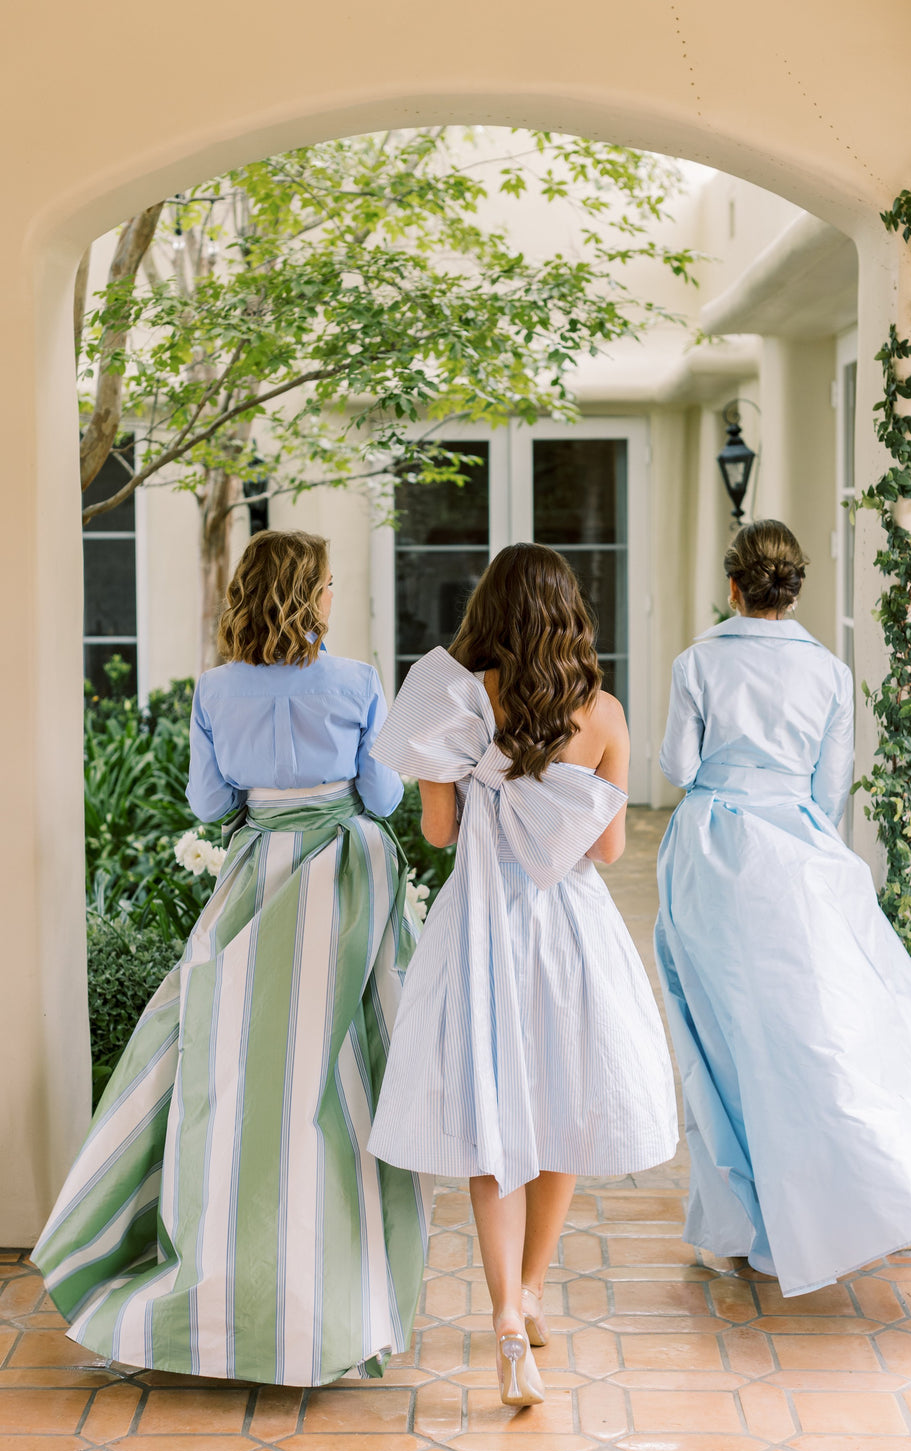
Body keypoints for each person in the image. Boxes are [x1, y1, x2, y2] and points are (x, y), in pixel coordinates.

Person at [32, 530, 430, 1386]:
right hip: (342, 881)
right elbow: (386, 795)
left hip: (256, 877)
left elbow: (212, 804)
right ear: (314, 593)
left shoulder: (214, 688)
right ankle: (332, 1294)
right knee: (337, 1077)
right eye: (327, 583)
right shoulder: (357, 681)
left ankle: (213, 1281)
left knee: (233, 1069)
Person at [655, 518, 911, 1297]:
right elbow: (829, 792)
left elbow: (679, 767)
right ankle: (853, 1199)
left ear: (733, 585)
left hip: (715, 856)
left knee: (726, 1043)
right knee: (833, 1030)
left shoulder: (698, 663)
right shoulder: (826, 670)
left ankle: (750, 1226)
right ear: (793, 589)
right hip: (801, 858)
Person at [366, 543, 678, 1406]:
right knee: (567, 1097)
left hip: (479, 930)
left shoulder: (458, 707)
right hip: (569, 929)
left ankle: (504, 1312)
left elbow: (435, 834)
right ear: (568, 613)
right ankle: (535, 1291)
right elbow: (609, 849)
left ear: (488, 610)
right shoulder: (603, 713)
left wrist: (478, 786)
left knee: (490, 1107)